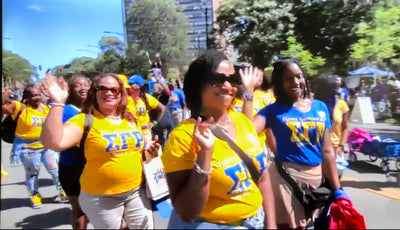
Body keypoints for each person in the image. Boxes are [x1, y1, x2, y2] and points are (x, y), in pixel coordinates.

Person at [161, 50, 276, 229]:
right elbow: (187, 211)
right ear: (199, 84)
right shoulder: (183, 137)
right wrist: (205, 155)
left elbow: (262, 177)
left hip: (256, 221)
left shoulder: (243, 121)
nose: (228, 86)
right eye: (218, 79)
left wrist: (272, 225)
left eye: (233, 79)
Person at [40, 73, 161, 229]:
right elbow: (54, 142)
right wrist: (58, 103)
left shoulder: (130, 119)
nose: (108, 92)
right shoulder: (84, 120)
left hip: (136, 192)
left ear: (121, 94)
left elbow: (134, 150)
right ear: (94, 93)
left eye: (114, 89)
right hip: (101, 196)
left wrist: (149, 149)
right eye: (102, 88)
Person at [241, 57, 350, 229]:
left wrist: (337, 189)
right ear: (279, 82)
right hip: (286, 180)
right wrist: (248, 94)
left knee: (318, 225)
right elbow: (247, 133)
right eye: (288, 79)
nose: (295, 82)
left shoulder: (320, 107)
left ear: (304, 77)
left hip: (317, 180)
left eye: (298, 76)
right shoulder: (272, 111)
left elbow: (327, 151)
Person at [1, 84, 67, 209]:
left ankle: (63, 192)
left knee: (55, 170)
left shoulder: (47, 108)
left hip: (46, 145)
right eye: (33, 95)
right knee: (33, 173)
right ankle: (35, 196)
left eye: (39, 94)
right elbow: (4, 105)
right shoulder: (20, 107)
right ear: (26, 97)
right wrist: (7, 92)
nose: (37, 97)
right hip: (28, 148)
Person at [58, 75, 90, 229]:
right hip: (72, 167)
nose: (83, 88)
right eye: (78, 85)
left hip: (92, 167)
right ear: (70, 90)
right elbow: (61, 140)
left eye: (86, 84)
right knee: (79, 209)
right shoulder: (65, 111)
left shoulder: (95, 109)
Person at [313, 76, 350, 177]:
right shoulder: (312, 105)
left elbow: (345, 128)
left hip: (335, 150)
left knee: (334, 183)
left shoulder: (342, 104)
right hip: (316, 150)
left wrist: (341, 147)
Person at [127, 74, 166, 143]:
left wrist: (154, 123)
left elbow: (162, 108)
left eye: (130, 84)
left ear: (138, 86)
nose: (127, 85)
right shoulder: (124, 98)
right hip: (129, 133)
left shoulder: (146, 98)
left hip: (145, 133)